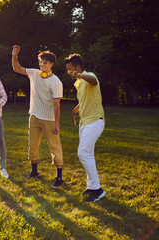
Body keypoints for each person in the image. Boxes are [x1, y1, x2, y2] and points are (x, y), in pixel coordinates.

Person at [12, 45, 64, 188]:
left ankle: (59, 177)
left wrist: (56, 124)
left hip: (49, 119)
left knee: (54, 146)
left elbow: (57, 105)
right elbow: (17, 68)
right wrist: (15, 55)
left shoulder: (56, 82)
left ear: (51, 64)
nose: (42, 65)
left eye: (45, 63)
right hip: (34, 116)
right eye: (41, 62)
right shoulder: (34, 73)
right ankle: (34, 172)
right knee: (32, 145)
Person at [65, 53, 106, 202]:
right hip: (84, 122)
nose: (69, 72)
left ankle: (98, 190)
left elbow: (94, 81)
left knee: (83, 153)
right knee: (89, 153)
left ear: (77, 67)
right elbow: (85, 100)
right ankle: (91, 186)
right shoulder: (79, 83)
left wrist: (81, 75)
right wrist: (76, 109)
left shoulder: (88, 76)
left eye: (70, 69)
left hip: (95, 121)